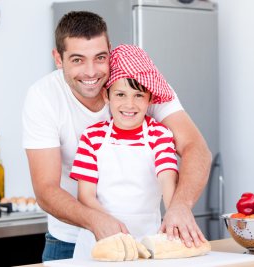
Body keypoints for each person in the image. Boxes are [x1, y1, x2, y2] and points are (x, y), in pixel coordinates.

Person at [22, 10, 211, 261]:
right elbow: (46, 189)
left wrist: (179, 206)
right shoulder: (44, 97)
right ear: (59, 58)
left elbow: (195, 147)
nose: (91, 72)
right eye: (78, 60)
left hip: (146, 240)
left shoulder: (139, 82)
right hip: (68, 241)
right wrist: (97, 220)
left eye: (100, 57)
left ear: (110, 51)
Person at [70, 44, 179, 259]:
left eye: (138, 95)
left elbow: (167, 179)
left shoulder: (160, 135)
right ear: (106, 96)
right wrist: (112, 227)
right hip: (100, 239)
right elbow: (85, 195)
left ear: (150, 98)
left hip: (148, 239)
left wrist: (174, 217)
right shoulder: (92, 137)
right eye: (120, 94)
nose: (129, 104)